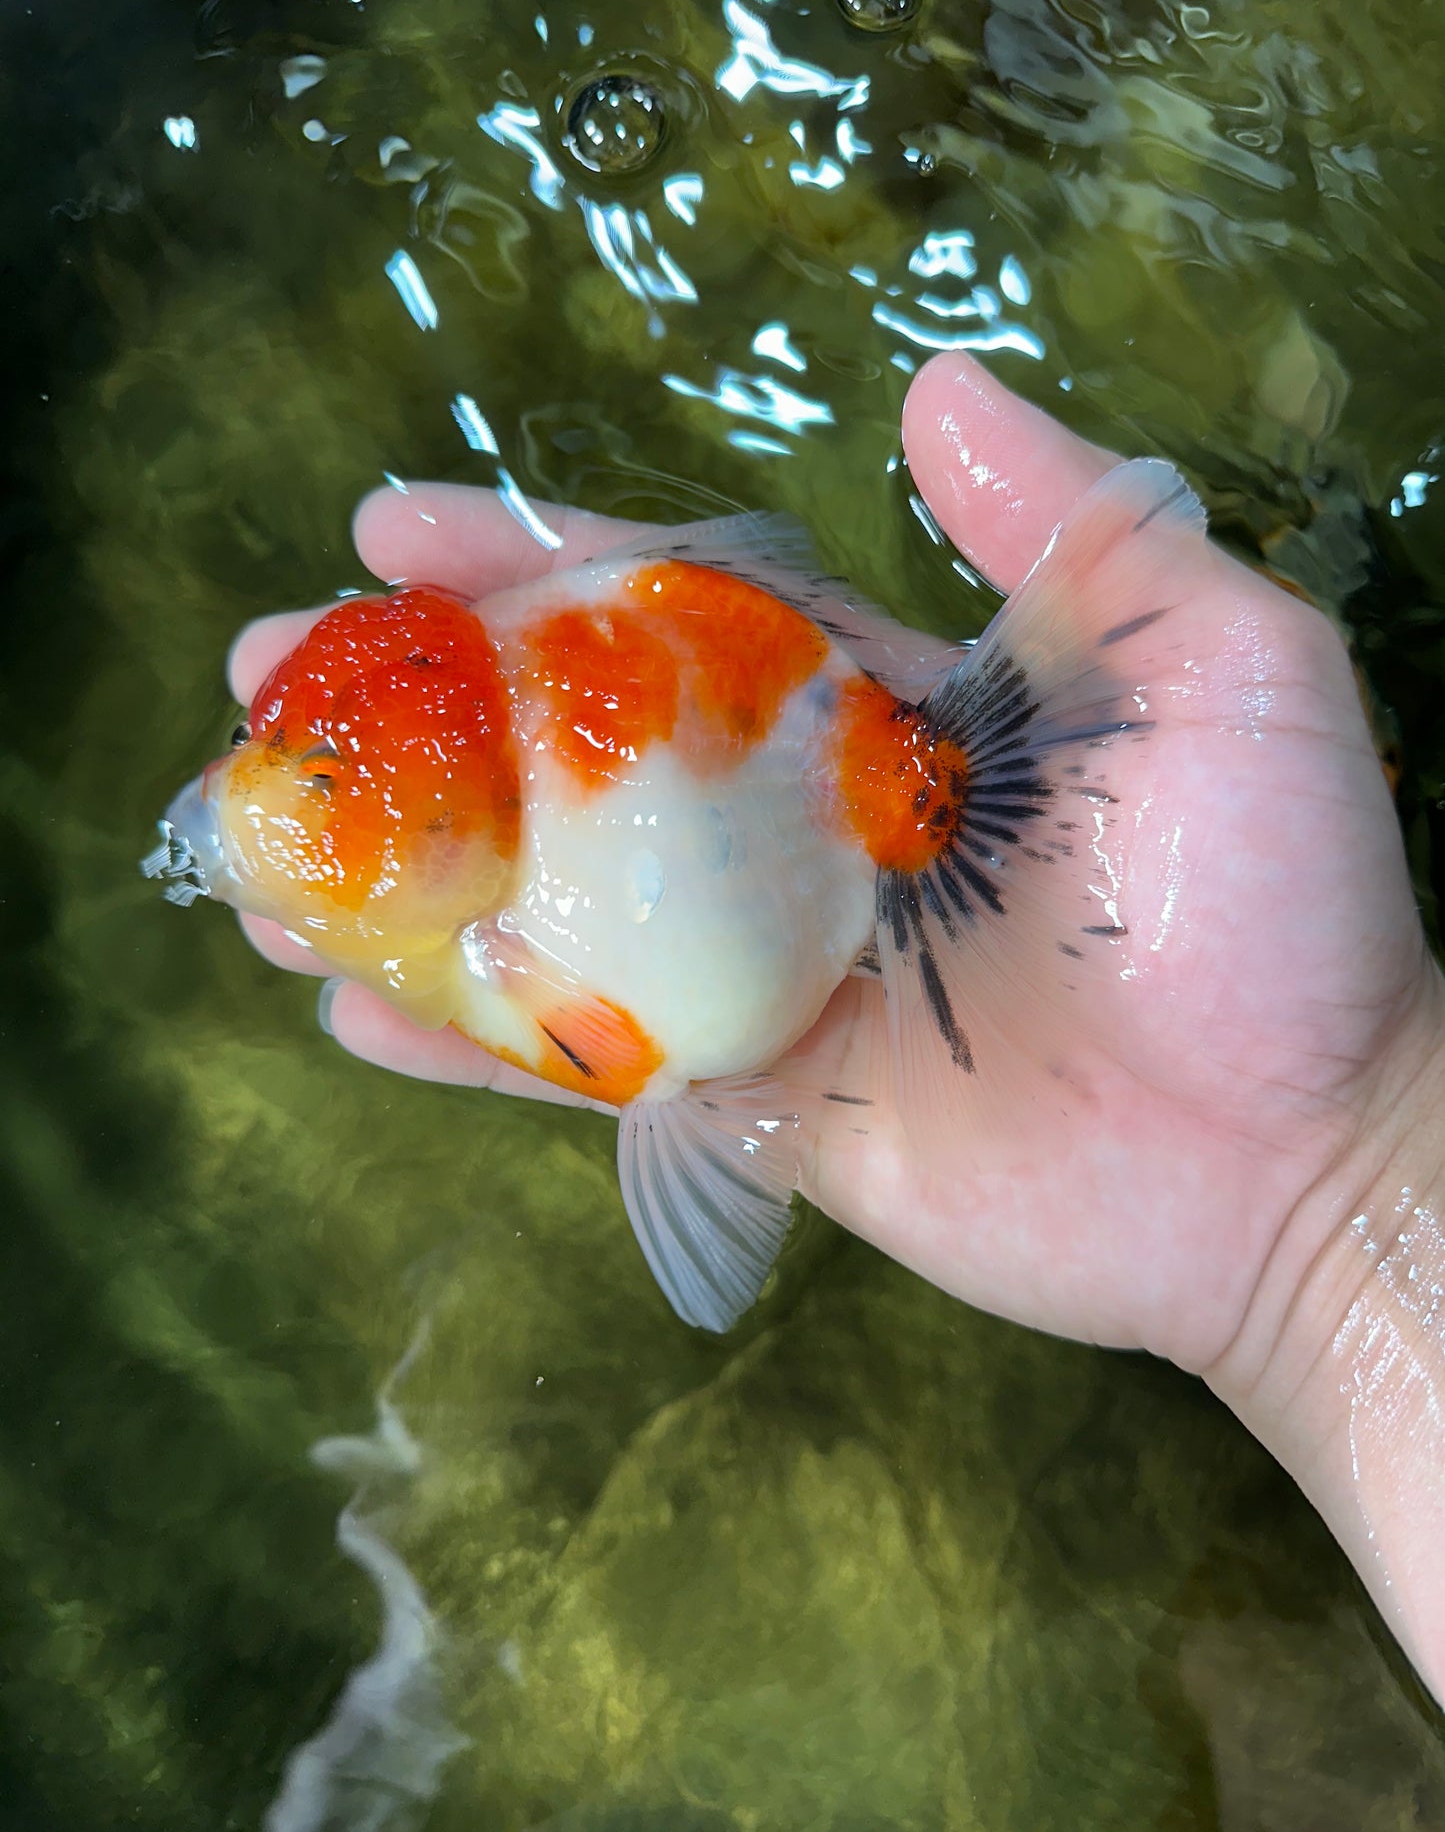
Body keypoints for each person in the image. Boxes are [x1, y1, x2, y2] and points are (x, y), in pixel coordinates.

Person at [229, 350, 1445, 1706]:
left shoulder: (496, 912)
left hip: (792, 742)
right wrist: (1347, 1196)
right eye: (278, 764)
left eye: (315, 792)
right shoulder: (471, 844)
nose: (266, 808)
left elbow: (621, 1035)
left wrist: (1341, 1188)